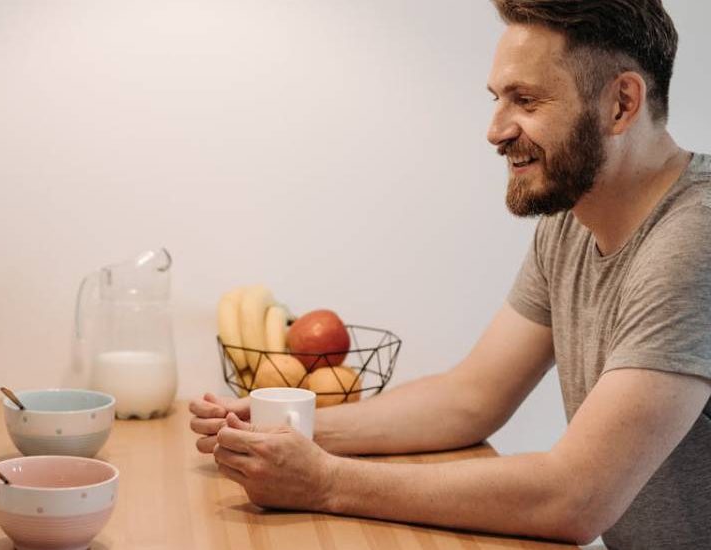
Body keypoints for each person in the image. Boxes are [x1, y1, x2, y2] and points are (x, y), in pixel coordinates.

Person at [190, 1, 710, 547]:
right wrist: (293, 428)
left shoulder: (694, 239)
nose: (495, 130)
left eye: (526, 100)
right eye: (498, 99)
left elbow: (574, 497)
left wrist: (325, 482)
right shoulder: (572, 225)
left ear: (621, 104)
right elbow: (469, 399)